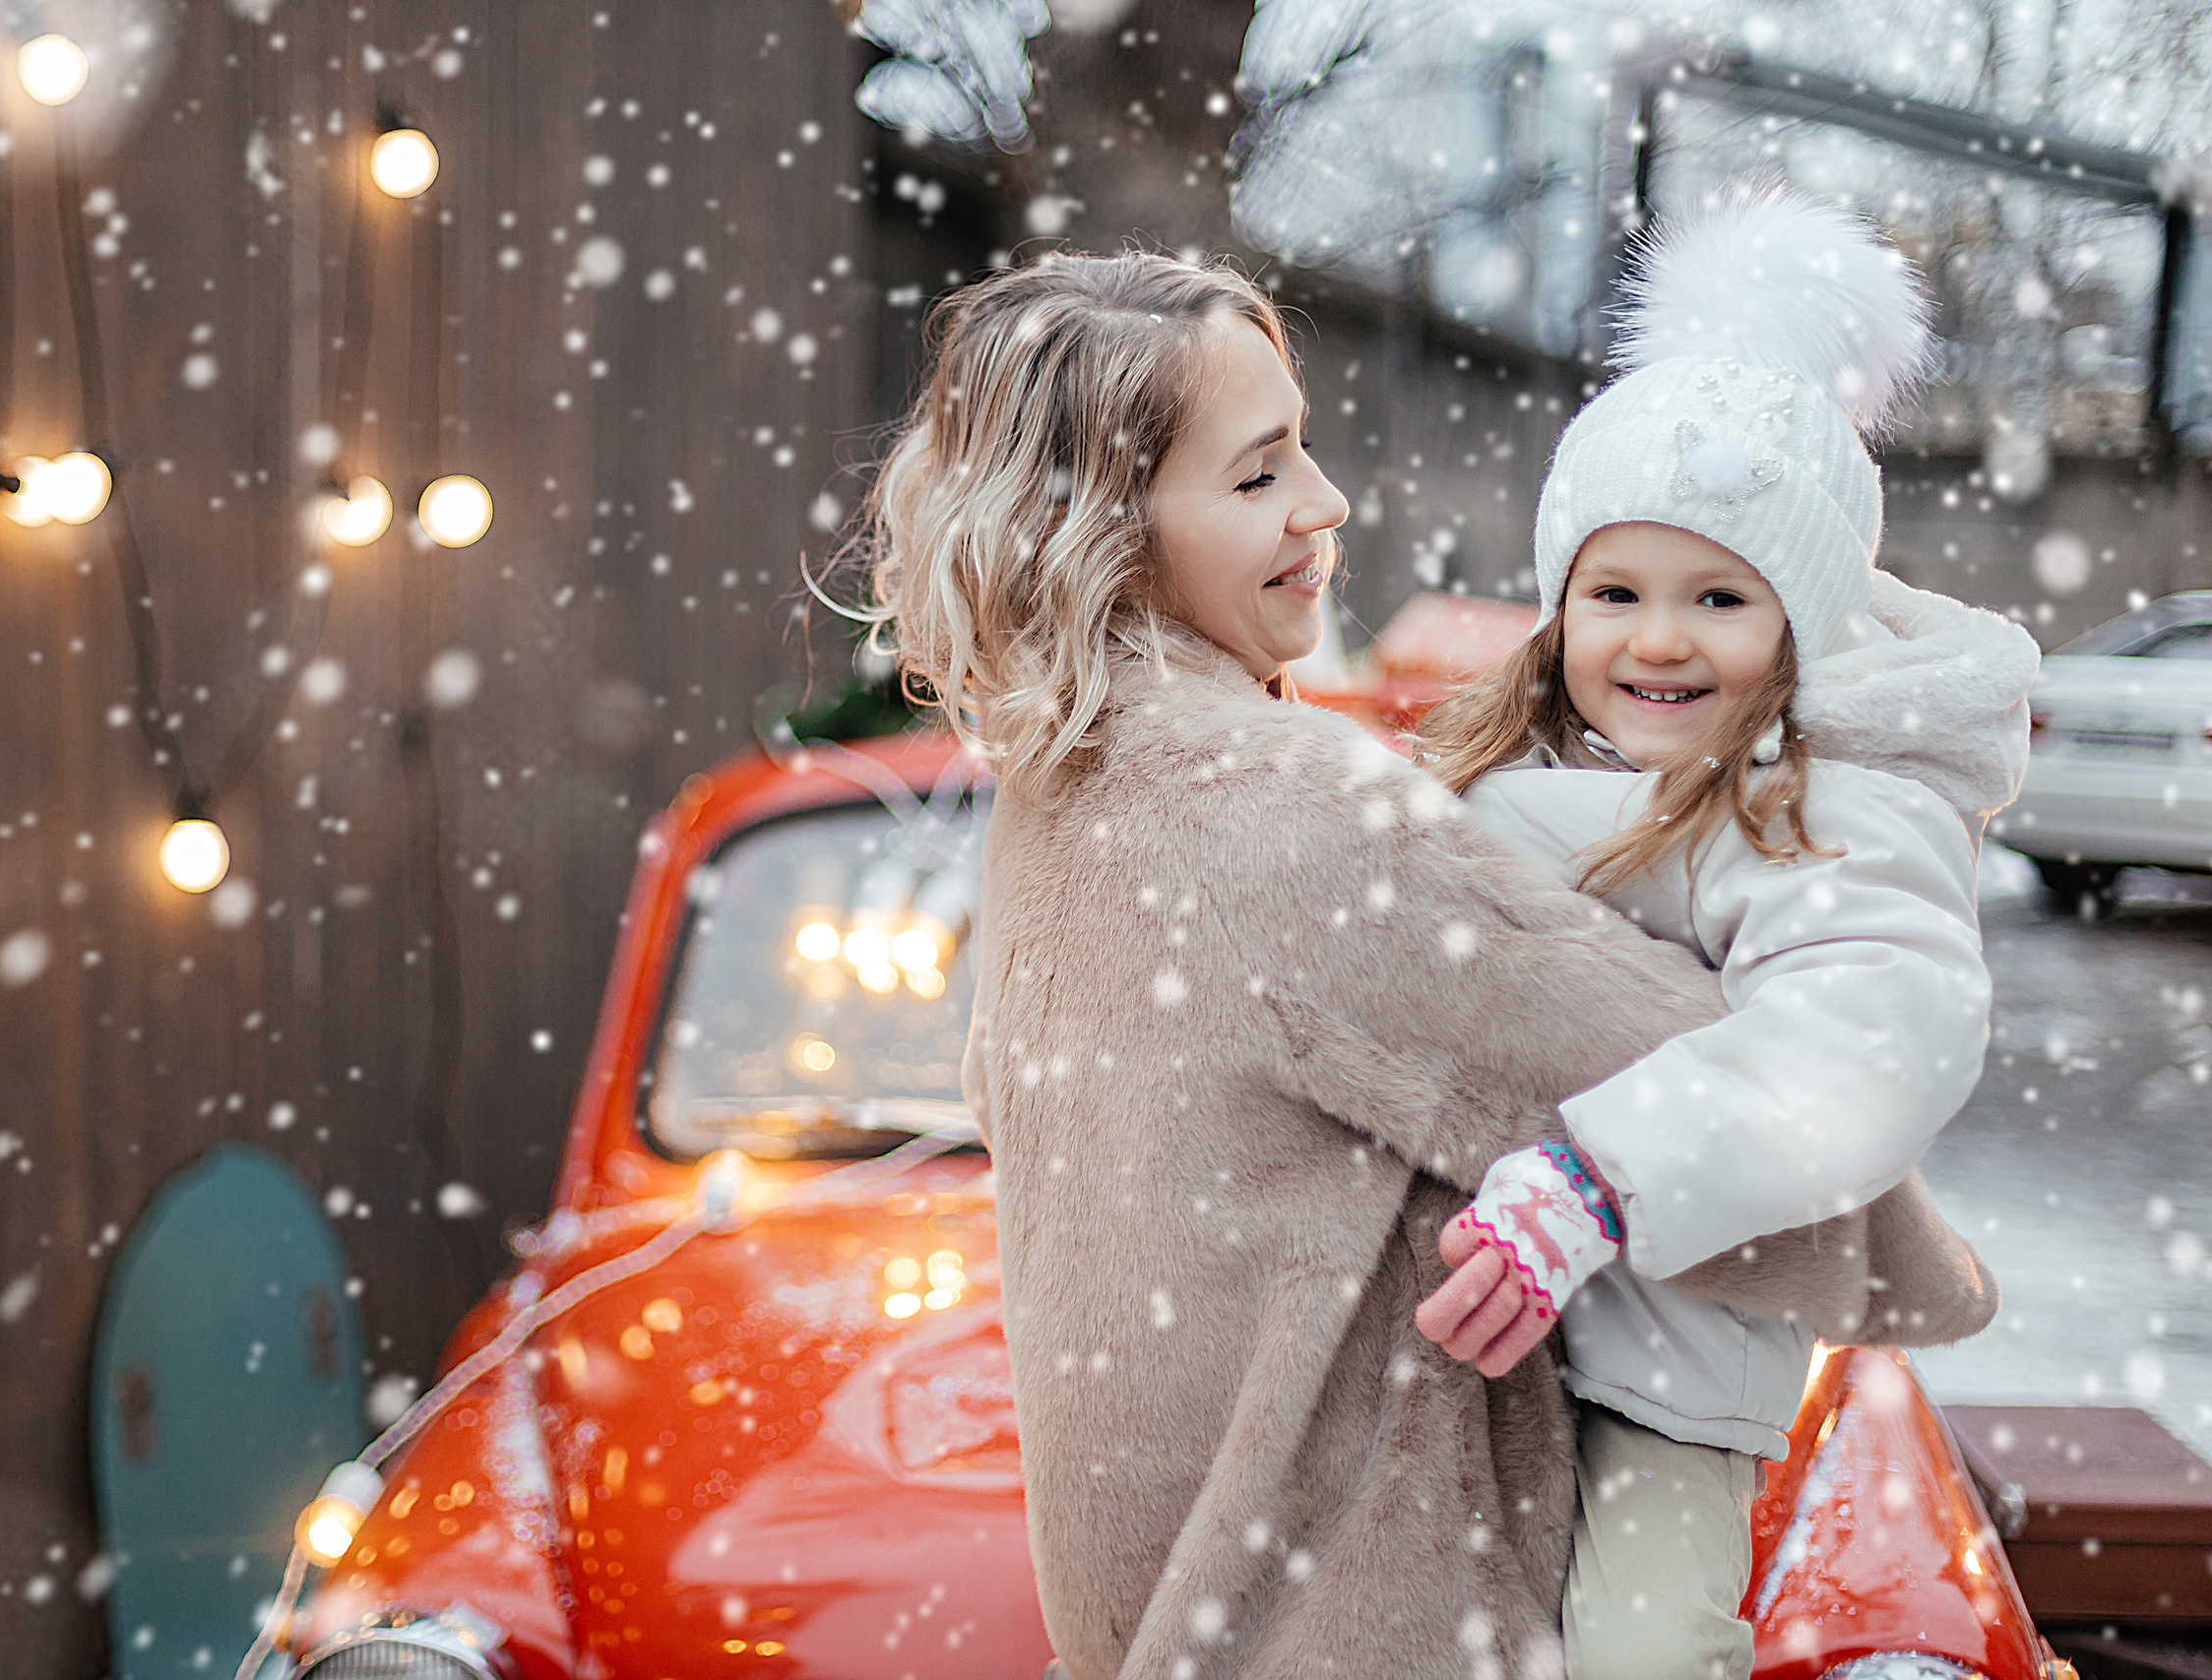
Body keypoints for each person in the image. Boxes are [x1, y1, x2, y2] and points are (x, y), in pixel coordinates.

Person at [857, 248, 1996, 1680]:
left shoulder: (1060, 787)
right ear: (1108, 528)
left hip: (1180, 1612)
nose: (1324, 503)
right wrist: (1903, 1251)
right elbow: (1652, 1067)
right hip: (1360, 1614)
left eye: (1306, 447)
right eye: (1261, 472)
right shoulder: (1271, 808)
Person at [1412, 194, 2040, 1680]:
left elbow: (1870, 1034)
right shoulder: (1526, 773)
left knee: (1635, 1648)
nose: (1660, 638)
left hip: (1663, 1366)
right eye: (1615, 592)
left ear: (1803, 626)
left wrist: (1599, 1177)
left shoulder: (1820, 808)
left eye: (1721, 597)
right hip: (1463, 1330)